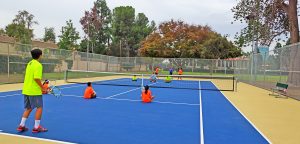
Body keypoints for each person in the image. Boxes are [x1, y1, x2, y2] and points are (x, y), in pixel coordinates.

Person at [17, 49, 48, 133]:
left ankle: (21, 125)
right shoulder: (38, 65)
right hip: (34, 91)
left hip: (26, 89)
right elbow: (36, 78)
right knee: (39, 107)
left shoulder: (29, 63)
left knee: (28, 108)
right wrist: (42, 87)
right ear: (40, 55)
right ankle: (36, 127)